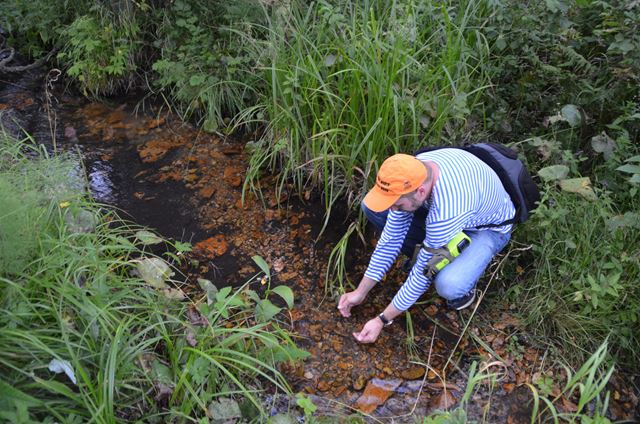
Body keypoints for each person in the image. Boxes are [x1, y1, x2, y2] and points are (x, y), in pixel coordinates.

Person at [337, 149, 515, 343]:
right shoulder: (411, 171)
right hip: (462, 208)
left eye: (397, 204)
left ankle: (464, 287)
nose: (392, 208)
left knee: (448, 284)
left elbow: (423, 273)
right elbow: (390, 240)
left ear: (421, 192)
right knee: (373, 208)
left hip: (487, 230)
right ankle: (433, 247)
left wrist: (382, 319)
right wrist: (360, 292)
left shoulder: (447, 209)